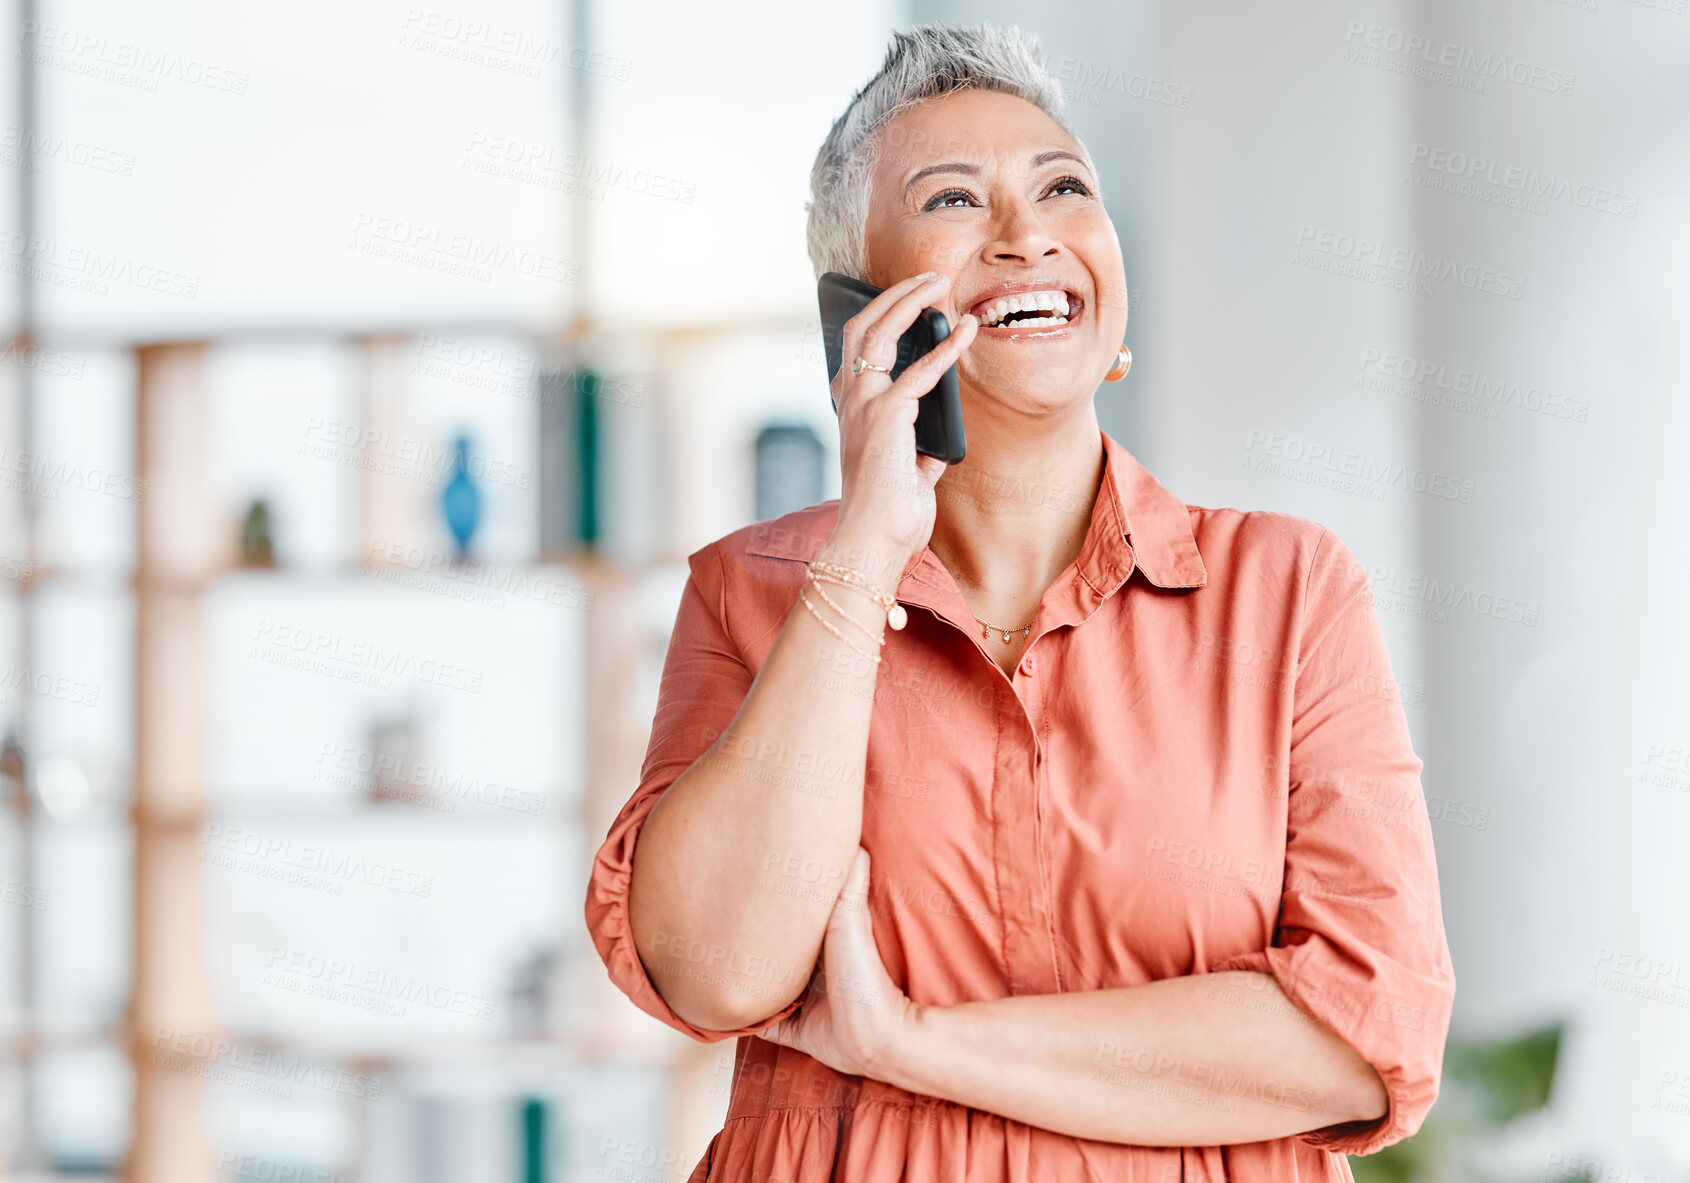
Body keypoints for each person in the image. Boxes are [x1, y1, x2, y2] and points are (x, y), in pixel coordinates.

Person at [586, 22, 1455, 1182]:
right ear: (859, 306)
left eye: (1064, 189)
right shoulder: (752, 594)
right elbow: (716, 968)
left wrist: (901, 1041)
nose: (1027, 233)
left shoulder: (1286, 592)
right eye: (953, 201)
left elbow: (1365, 1034)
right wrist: (861, 560)